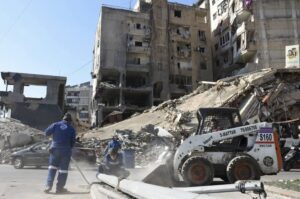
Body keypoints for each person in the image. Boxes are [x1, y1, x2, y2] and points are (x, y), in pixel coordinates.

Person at [44, 113, 76, 194]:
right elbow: (72, 142)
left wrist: (53, 140)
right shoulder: (72, 129)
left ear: (63, 119)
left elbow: (46, 133)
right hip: (65, 151)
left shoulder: (55, 125)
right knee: (63, 171)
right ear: (70, 121)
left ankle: (48, 186)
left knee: (52, 168)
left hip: (55, 150)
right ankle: (59, 188)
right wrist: (68, 148)